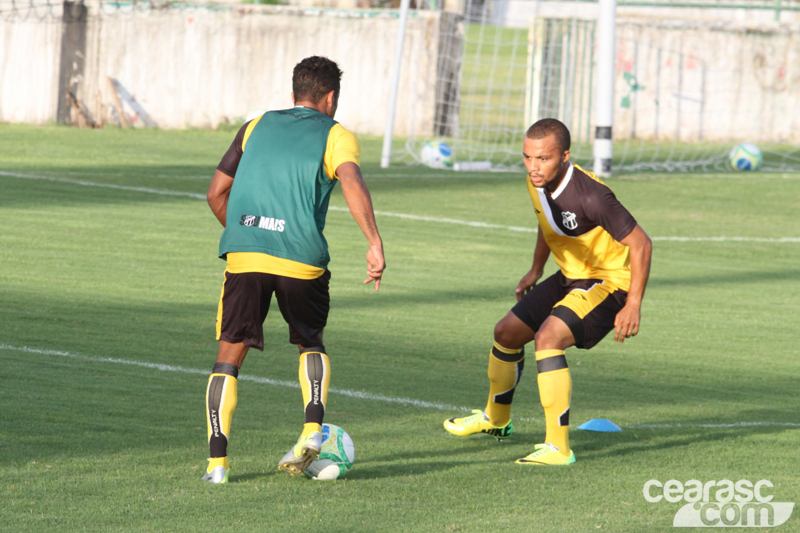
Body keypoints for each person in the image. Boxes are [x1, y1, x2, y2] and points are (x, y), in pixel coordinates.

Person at [202, 56, 385, 483]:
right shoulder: (336, 135)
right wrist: (374, 242)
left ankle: (217, 465)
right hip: (301, 259)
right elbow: (352, 181)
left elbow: (215, 194)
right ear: (331, 97)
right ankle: (311, 429)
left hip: (245, 256)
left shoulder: (255, 125)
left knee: (228, 357)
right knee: (310, 341)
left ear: (293, 93)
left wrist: (251, 233)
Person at [444, 118, 651, 465]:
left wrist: (633, 305)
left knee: (548, 338)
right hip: (570, 275)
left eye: (543, 159)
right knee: (506, 333)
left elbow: (642, 244)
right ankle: (496, 421)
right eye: (527, 157)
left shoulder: (591, 195)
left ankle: (559, 448)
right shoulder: (535, 181)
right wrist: (536, 269)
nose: (533, 166)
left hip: (609, 282)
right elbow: (548, 223)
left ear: (565, 156)